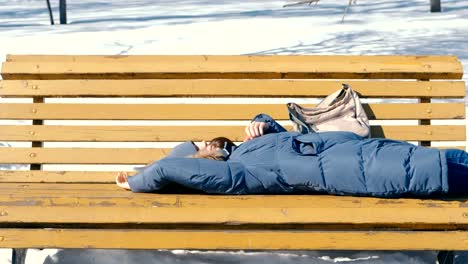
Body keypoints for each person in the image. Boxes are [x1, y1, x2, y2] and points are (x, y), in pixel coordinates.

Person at [116, 114, 468, 197]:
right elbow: (165, 169)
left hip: (374, 152)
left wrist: (264, 124)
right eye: (198, 146)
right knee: (448, 168)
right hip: (376, 169)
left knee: (454, 159)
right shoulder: (237, 173)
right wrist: (135, 181)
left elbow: (291, 143)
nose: (206, 142)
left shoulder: (245, 151)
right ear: (195, 161)